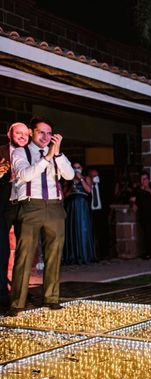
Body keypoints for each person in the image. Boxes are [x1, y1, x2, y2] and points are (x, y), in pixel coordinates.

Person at [7, 116, 74, 316]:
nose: (45, 137)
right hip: (31, 206)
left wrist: (58, 153)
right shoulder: (21, 151)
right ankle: (17, 303)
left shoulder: (56, 153)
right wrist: (46, 158)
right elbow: (25, 175)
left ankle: (51, 298)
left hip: (54, 206)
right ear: (31, 132)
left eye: (48, 133)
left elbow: (69, 175)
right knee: (25, 254)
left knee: (55, 253)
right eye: (41, 132)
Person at [0, 122, 29, 307]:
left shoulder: (31, 153)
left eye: (26, 134)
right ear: (9, 134)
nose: (22, 136)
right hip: (4, 205)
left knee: (25, 248)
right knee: (2, 249)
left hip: (26, 206)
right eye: (18, 133)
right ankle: (2, 291)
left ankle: (21, 292)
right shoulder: (1, 151)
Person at [62, 161, 96, 264]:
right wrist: (70, 188)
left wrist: (80, 178)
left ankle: (84, 255)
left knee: (82, 228)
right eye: (74, 167)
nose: (76, 169)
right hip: (72, 206)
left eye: (78, 167)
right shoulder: (68, 180)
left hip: (82, 206)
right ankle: (73, 255)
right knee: (72, 228)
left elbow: (89, 190)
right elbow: (64, 196)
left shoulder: (86, 178)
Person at [130, 171, 151, 260]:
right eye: (142, 179)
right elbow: (133, 200)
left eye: (146, 179)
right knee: (147, 234)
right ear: (140, 180)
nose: (144, 180)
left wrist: (149, 190)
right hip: (144, 215)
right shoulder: (137, 190)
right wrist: (133, 204)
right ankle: (147, 252)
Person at [87, 167, 110, 260]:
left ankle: (104, 254)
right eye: (93, 176)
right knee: (92, 234)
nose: (95, 177)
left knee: (103, 233)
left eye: (96, 175)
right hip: (91, 213)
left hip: (101, 212)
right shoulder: (87, 187)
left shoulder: (103, 186)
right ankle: (92, 254)